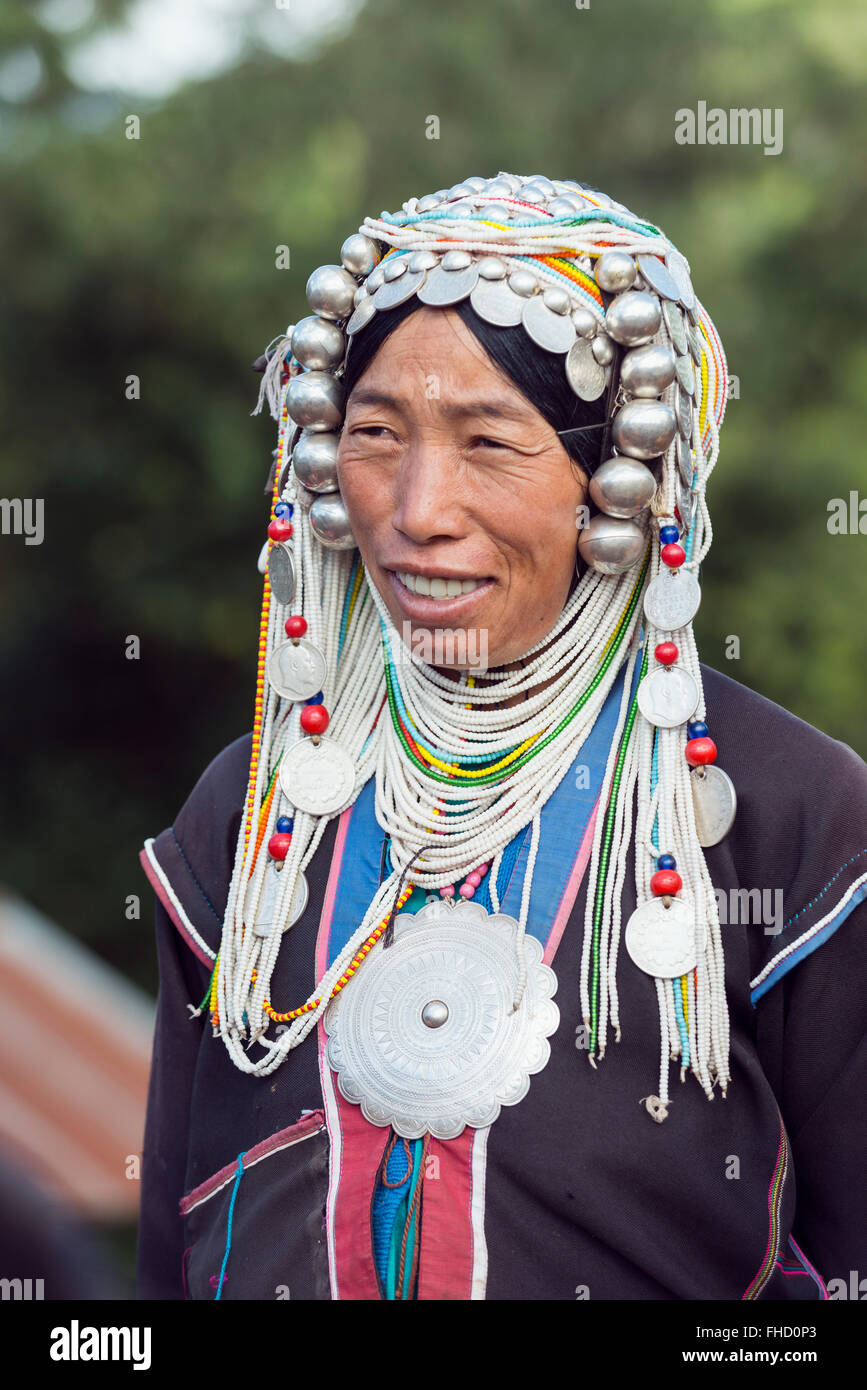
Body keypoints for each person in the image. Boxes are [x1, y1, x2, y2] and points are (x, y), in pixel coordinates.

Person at [137, 172, 867, 1301]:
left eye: (489, 442)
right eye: (375, 433)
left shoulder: (784, 816)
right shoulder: (258, 813)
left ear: (620, 483)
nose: (418, 507)